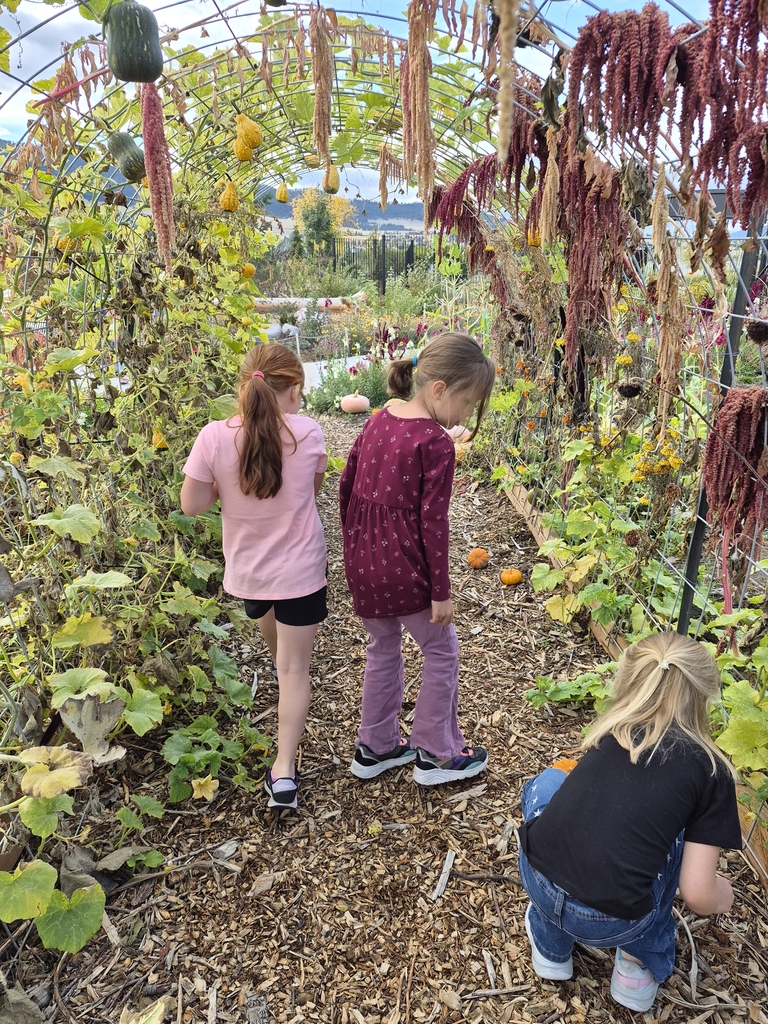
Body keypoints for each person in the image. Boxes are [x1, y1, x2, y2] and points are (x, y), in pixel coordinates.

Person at [516, 632, 741, 1012]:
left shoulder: (613, 729)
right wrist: (721, 894)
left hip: (537, 880)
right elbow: (698, 895)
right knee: (674, 842)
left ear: (629, 681)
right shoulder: (710, 770)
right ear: (705, 696)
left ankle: (551, 949)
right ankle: (636, 967)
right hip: (615, 920)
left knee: (550, 783)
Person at [339, 332, 497, 785]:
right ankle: (437, 753)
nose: (466, 414)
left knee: (383, 648)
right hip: (405, 569)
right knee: (442, 652)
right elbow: (433, 524)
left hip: (365, 564)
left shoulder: (378, 419)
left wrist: (355, 550)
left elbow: (345, 487)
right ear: (440, 390)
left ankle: (375, 746)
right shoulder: (434, 442)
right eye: (467, 402)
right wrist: (440, 593)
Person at [181, 344, 327, 810]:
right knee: (293, 668)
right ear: (294, 390)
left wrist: (226, 483)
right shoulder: (308, 434)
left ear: (243, 385)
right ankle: (284, 771)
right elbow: (311, 489)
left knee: (282, 663)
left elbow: (192, 505)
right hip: (301, 572)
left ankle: (290, 716)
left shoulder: (213, 437)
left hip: (250, 574)